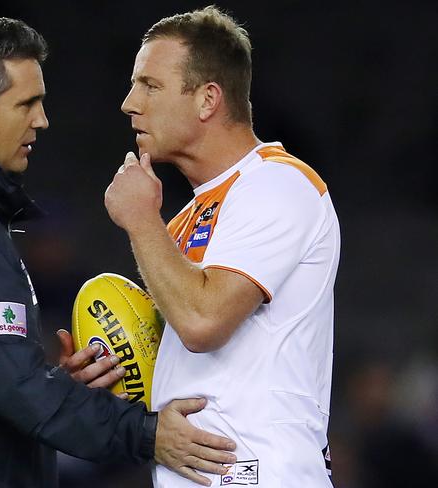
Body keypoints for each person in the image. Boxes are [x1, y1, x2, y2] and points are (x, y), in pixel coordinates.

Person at [0, 15, 237, 488]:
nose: (42, 120)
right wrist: (148, 434)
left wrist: (49, 385)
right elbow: (18, 390)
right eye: (26, 103)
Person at [105, 6, 340, 488]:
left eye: (150, 86)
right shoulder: (189, 218)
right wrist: (109, 372)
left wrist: (141, 219)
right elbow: (184, 364)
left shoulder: (278, 184)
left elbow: (202, 322)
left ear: (208, 99)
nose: (130, 103)